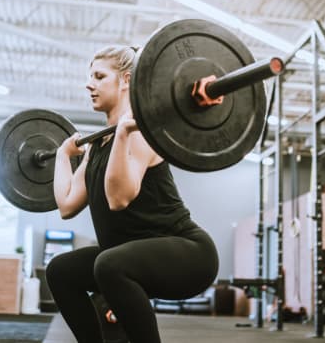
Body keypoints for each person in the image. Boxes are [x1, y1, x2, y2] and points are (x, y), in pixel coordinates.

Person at [46, 45, 219, 343]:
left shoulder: (140, 133)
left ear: (126, 80)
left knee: (109, 264)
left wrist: (124, 133)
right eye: (90, 77)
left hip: (189, 255)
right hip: (129, 256)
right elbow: (67, 204)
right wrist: (63, 155)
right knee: (61, 271)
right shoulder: (98, 145)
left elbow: (119, 198)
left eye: (99, 76)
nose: (89, 84)